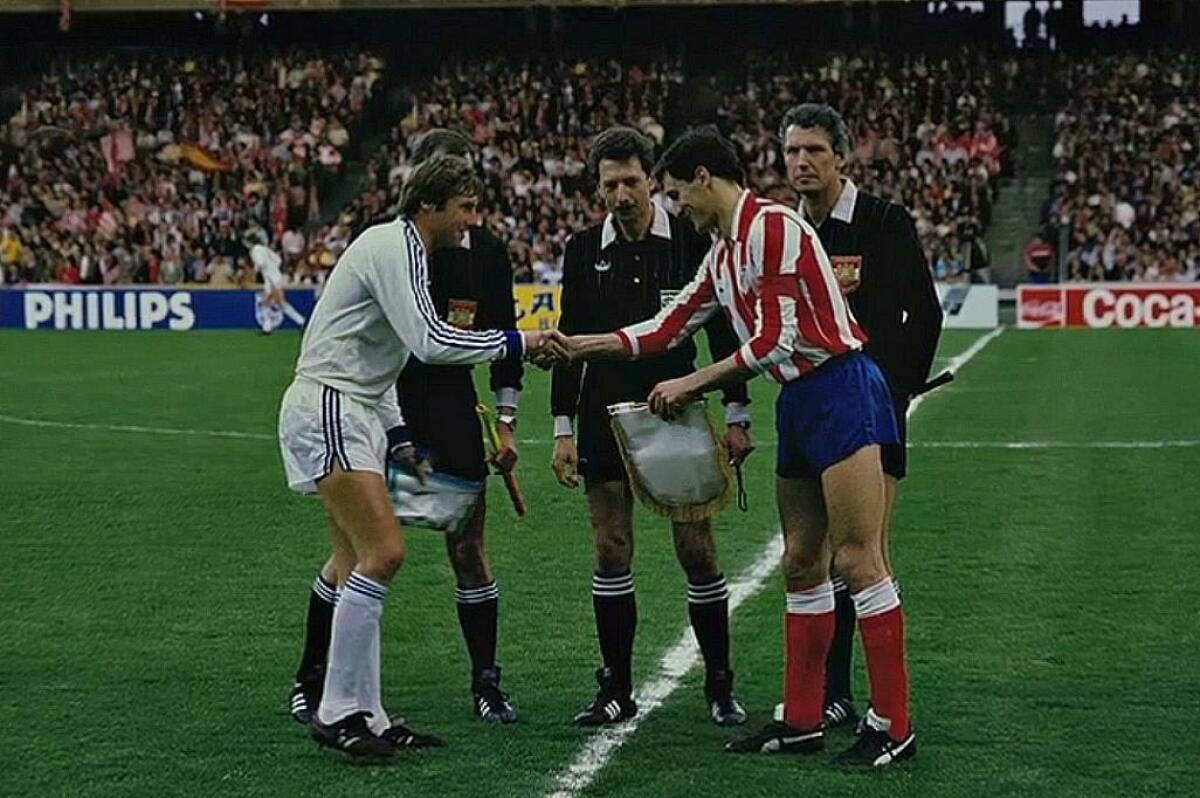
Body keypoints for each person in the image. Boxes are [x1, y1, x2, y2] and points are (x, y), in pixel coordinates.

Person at [565, 126, 915, 768]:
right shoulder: (724, 252)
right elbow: (666, 327)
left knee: (858, 559)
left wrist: (692, 382)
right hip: (801, 399)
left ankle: (893, 724)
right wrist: (579, 345)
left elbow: (776, 340)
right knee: (801, 562)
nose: (676, 208)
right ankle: (803, 719)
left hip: (842, 387)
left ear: (705, 179)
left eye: (677, 193)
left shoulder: (771, 228)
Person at [277, 153, 564, 762]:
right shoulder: (396, 246)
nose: (471, 220)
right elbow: (430, 343)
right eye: (465, 207)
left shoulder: (404, 247)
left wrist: (400, 435)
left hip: (352, 407)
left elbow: (379, 358)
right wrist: (521, 341)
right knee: (385, 553)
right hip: (331, 406)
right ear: (429, 204)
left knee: (357, 562)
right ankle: (336, 709)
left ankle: (370, 714)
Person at [550, 126, 753, 728]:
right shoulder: (583, 249)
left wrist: (737, 415)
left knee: (697, 549)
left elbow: (723, 331)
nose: (621, 195)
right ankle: (615, 687)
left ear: (651, 181)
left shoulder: (690, 239)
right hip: (603, 413)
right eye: (610, 184)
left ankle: (720, 684)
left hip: (676, 409)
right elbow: (570, 339)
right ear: (597, 188)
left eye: (632, 181)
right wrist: (562, 428)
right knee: (610, 546)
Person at [780, 103, 942, 731]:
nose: (802, 162)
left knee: (862, 554)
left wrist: (891, 392)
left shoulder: (882, 222)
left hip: (869, 411)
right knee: (812, 557)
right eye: (793, 151)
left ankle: (874, 702)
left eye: (815, 150)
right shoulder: (788, 231)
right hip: (809, 410)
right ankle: (830, 693)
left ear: (842, 158)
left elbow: (923, 313)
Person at [246, 231, 306, 333]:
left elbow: (260, 263)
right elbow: (278, 261)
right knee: (266, 302)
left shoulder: (255, 250)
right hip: (275, 276)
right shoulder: (266, 249)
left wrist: (254, 271)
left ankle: (302, 322)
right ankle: (267, 327)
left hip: (271, 278)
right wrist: (271, 268)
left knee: (280, 302)